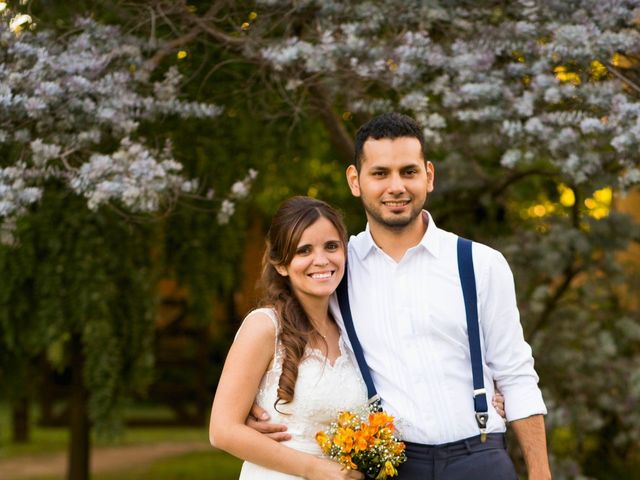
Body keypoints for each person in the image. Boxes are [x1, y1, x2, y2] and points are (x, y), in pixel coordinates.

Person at [247, 113, 551, 480]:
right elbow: (286, 331)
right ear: (355, 181)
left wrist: (539, 473)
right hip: (395, 465)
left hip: (480, 456)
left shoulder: (481, 264)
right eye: (380, 173)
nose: (396, 186)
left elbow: (516, 374)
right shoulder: (337, 270)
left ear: (429, 176)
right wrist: (256, 407)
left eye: (409, 172)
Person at [209, 195, 507, 479]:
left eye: (331, 246)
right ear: (281, 264)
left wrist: (481, 392)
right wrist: (314, 469)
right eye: (303, 251)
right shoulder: (265, 326)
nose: (321, 260)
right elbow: (222, 430)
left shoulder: (349, 327)